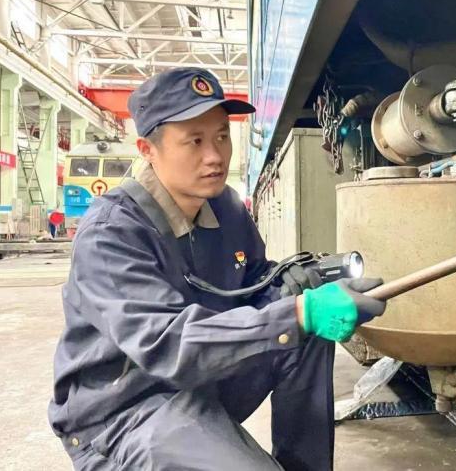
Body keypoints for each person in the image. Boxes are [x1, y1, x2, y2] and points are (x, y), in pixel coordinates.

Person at [49, 68, 386, 471]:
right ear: (147, 149)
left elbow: (253, 283)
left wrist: (294, 287)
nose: (214, 156)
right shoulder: (111, 233)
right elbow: (166, 344)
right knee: (294, 321)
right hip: (125, 409)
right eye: (194, 141)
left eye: (222, 136)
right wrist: (296, 313)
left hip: (197, 379)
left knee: (305, 331)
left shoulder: (225, 207)